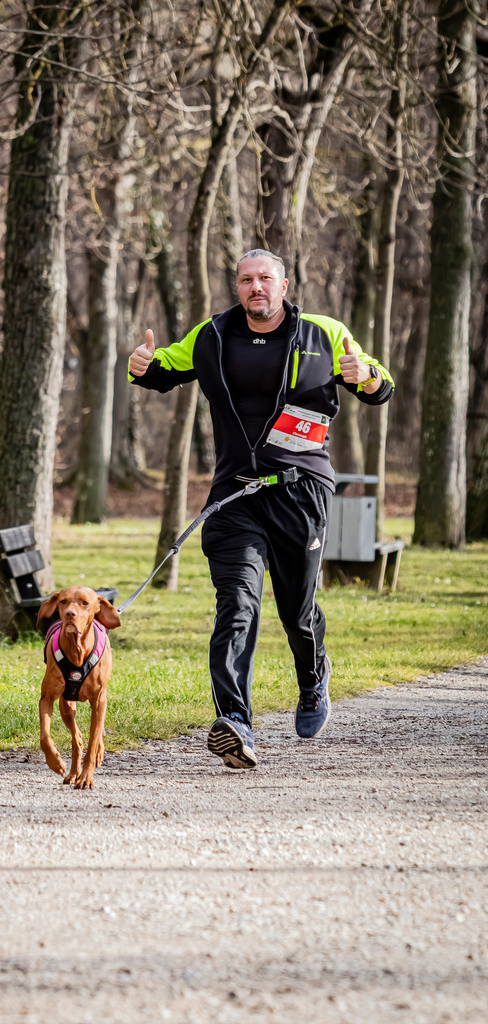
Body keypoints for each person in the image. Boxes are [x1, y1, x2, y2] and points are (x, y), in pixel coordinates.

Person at [128, 248, 394, 769]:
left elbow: (377, 385)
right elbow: (163, 369)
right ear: (237, 286)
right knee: (237, 606)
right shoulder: (211, 336)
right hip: (235, 494)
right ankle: (235, 722)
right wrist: (142, 366)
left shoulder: (324, 333)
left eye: (265, 279)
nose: (256, 287)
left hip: (300, 490)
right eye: (247, 279)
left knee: (296, 611)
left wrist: (364, 375)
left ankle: (313, 678)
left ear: (284, 284)